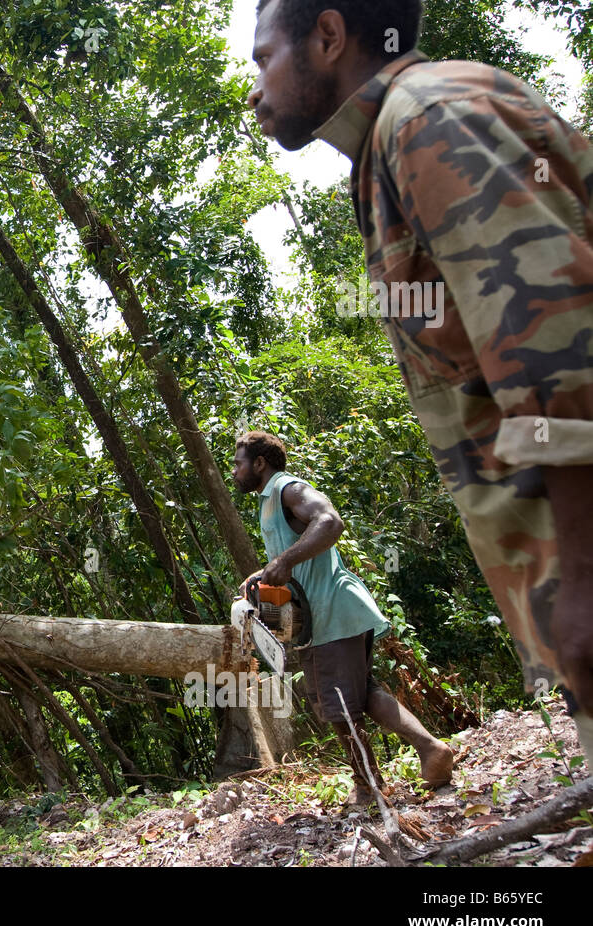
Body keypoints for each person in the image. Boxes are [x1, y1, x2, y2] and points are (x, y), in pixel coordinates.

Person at [247, 0, 593, 759]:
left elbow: (558, 345)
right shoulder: (386, 148)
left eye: (263, 59)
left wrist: (585, 583)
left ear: (328, 37)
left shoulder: (428, 118)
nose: (254, 89)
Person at [232, 430, 455, 801]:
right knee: (362, 694)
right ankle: (431, 752)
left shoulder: (288, 488)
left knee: (339, 708)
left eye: (239, 463)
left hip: (332, 611)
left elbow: (330, 523)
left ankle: (369, 786)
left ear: (259, 463)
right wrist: (266, 571)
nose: (235, 471)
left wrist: (285, 561)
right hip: (329, 614)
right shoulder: (269, 501)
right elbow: (297, 558)